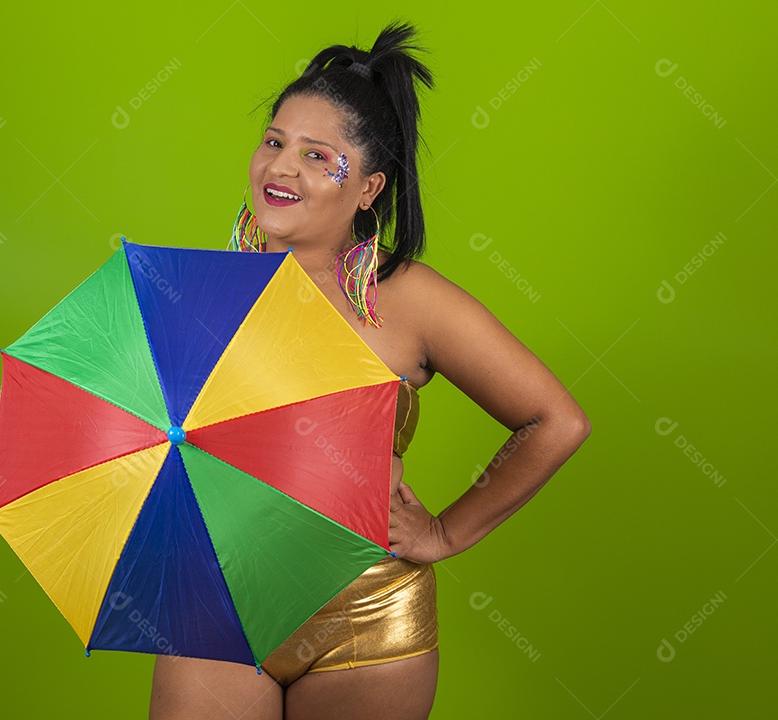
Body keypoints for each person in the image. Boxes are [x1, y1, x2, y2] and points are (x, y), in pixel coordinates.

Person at [149, 21, 590, 720]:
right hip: (219, 601)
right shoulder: (195, 292)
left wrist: (445, 533)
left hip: (368, 616)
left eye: (317, 155)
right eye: (274, 142)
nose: (281, 168)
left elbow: (556, 421)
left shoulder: (409, 299)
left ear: (367, 187)